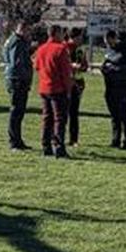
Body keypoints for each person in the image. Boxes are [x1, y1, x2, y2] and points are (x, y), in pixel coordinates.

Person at [33, 24, 74, 157]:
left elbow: (37, 67)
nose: (63, 36)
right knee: (59, 119)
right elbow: (66, 72)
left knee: (47, 118)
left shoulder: (41, 49)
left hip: (44, 88)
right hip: (58, 89)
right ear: (56, 33)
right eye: (62, 33)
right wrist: (68, 89)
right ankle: (59, 147)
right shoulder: (61, 49)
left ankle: (46, 146)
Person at [0, 20, 33, 150]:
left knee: (18, 111)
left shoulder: (13, 40)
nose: (29, 34)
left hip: (16, 78)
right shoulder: (17, 42)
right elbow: (16, 63)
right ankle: (14, 141)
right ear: (22, 29)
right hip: (17, 79)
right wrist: (24, 76)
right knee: (16, 111)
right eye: (28, 31)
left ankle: (17, 139)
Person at [100, 30, 126, 148]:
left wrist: (115, 69)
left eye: (109, 42)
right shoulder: (109, 51)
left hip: (124, 88)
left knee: (125, 115)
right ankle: (115, 140)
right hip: (111, 87)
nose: (108, 45)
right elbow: (104, 66)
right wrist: (106, 69)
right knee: (114, 116)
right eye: (106, 43)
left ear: (114, 38)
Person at [64, 27, 88, 146]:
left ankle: (74, 139)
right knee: (63, 112)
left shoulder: (80, 49)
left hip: (78, 83)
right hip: (66, 84)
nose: (81, 40)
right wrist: (71, 66)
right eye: (79, 37)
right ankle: (59, 136)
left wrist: (82, 66)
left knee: (74, 112)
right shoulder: (65, 48)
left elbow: (84, 66)